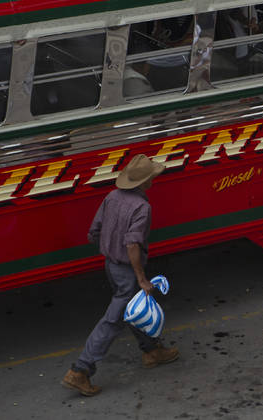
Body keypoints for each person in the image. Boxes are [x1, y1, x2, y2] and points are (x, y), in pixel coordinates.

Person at [62, 154, 180, 397]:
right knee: (114, 319)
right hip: (127, 270)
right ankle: (80, 370)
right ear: (145, 182)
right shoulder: (142, 207)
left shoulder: (112, 196)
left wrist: (108, 249)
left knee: (135, 309)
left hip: (111, 265)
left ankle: (151, 350)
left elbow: (94, 231)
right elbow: (132, 244)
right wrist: (141, 278)